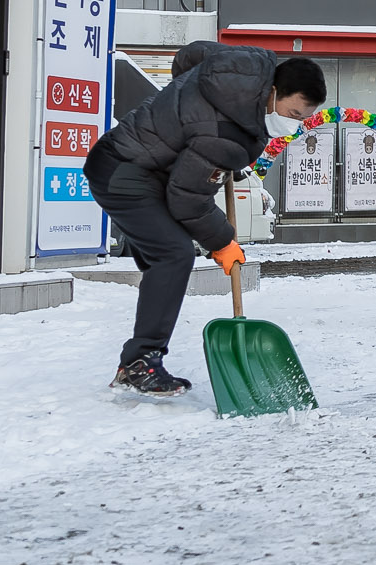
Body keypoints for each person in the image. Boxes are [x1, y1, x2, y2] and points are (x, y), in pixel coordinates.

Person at [86, 42, 326, 394]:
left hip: (140, 164)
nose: (294, 126)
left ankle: (137, 359)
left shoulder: (245, 66)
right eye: (293, 114)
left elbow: (190, 55)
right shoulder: (226, 136)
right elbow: (187, 201)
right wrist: (223, 241)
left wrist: (185, 117)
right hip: (124, 172)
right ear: (273, 92)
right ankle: (140, 361)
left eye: (303, 120)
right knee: (173, 254)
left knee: (163, 256)